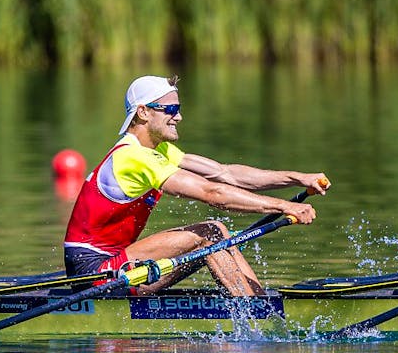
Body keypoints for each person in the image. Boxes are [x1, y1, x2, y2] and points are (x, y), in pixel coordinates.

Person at [64, 75, 329, 297]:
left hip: (119, 264)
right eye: (170, 110)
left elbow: (226, 174)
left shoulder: (161, 150)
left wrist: (298, 178)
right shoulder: (132, 157)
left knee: (218, 233)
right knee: (210, 233)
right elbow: (211, 193)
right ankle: (257, 314)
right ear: (143, 112)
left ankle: (257, 302)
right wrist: (284, 205)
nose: (178, 117)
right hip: (95, 273)